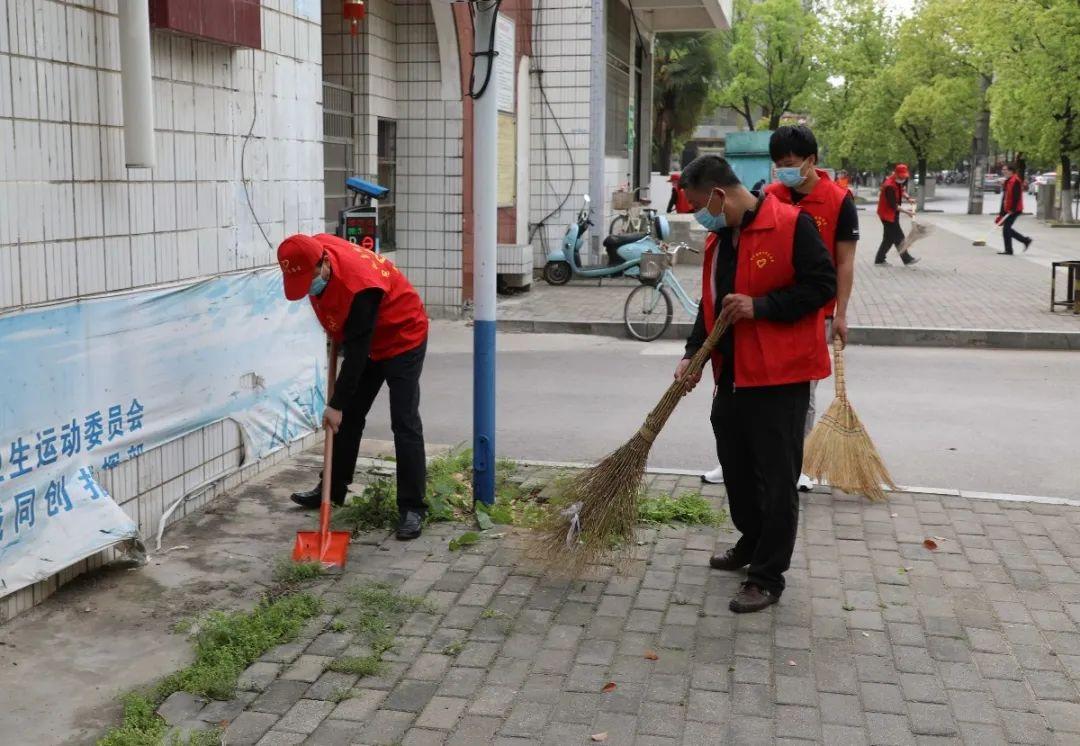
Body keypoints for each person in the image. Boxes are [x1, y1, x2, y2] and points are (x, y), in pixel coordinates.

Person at [676, 155, 836, 613]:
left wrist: (761, 307)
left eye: (696, 204)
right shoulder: (720, 238)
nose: (695, 214)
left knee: (776, 477)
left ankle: (768, 576)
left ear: (719, 195)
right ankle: (751, 539)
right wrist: (692, 354)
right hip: (733, 373)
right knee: (736, 462)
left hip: (779, 375)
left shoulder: (791, 225)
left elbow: (822, 286)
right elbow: (709, 306)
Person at [701, 126, 858, 493]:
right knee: (738, 382)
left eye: (789, 164)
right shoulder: (769, 195)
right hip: (758, 310)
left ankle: (796, 461)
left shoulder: (838, 200)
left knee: (799, 393)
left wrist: (841, 314)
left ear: (811, 161)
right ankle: (735, 458)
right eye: (778, 165)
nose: (782, 171)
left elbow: (844, 263)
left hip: (809, 311)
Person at [277, 233, 430, 541]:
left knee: (404, 422)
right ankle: (332, 489)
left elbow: (357, 355)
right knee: (349, 418)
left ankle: (413, 507)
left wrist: (334, 405)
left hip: (402, 336)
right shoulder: (315, 249)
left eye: (309, 282)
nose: (308, 290)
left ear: (322, 264)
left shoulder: (359, 287)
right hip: (366, 338)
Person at [874, 164, 919, 266]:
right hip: (887, 215)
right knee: (899, 237)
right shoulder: (889, 185)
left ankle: (879, 259)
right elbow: (893, 205)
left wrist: (908, 198)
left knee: (888, 238)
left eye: (904, 176)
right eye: (901, 176)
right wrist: (908, 212)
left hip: (892, 213)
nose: (903, 178)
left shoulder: (897, 181)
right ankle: (907, 259)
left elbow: (901, 190)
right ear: (896, 174)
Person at [997, 164, 1032, 255]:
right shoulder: (1008, 181)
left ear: (1011, 171)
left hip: (1015, 209)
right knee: (1007, 229)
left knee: (1006, 229)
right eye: (1003, 169)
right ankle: (1025, 240)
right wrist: (1001, 213)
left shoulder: (1015, 181)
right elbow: (1004, 198)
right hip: (1008, 209)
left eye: (1005, 169)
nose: (1003, 171)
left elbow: (1017, 197)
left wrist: (1012, 209)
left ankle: (1010, 249)